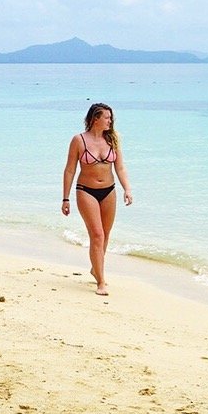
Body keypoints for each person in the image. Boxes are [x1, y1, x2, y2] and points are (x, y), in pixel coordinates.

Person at [62, 103, 132, 296]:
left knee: (106, 235)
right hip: (86, 191)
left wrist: (127, 188)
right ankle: (101, 282)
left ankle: (96, 268)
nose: (110, 121)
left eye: (111, 118)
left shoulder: (113, 140)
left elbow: (120, 168)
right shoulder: (79, 140)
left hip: (109, 191)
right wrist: (65, 198)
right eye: (106, 117)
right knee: (97, 235)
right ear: (95, 119)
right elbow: (70, 169)